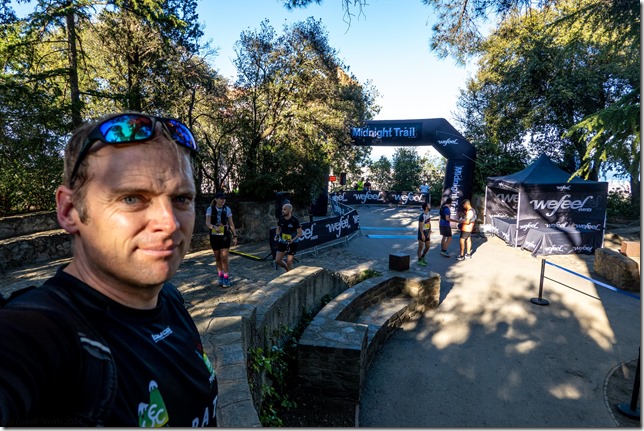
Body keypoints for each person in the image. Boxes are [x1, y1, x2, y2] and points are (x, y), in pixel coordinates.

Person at [0, 113, 218, 426]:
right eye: (132, 198)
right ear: (69, 210)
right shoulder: (43, 331)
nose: (169, 224)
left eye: (181, 198)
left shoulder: (170, 299)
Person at [206, 191, 237, 287]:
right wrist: (214, 227)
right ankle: (220, 276)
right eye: (221, 198)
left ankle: (226, 278)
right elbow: (207, 223)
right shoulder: (210, 209)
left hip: (225, 235)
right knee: (218, 257)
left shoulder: (227, 209)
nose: (223, 200)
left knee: (224, 257)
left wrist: (234, 236)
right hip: (214, 235)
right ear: (216, 199)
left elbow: (231, 224)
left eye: (224, 199)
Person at [274, 203, 303, 272]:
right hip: (283, 241)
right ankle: (288, 270)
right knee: (277, 260)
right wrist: (277, 235)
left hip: (293, 242)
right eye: (282, 209)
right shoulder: (281, 218)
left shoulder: (294, 220)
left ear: (289, 210)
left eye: (284, 209)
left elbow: (300, 233)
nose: (282, 211)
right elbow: (278, 228)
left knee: (289, 262)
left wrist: (293, 240)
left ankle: (290, 275)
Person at [416, 202, 432, 266]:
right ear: (426, 207)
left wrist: (430, 231)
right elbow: (420, 225)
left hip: (427, 232)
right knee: (421, 246)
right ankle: (419, 260)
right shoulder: (422, 216)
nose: (430, 206)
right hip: (422, 232)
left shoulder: (428, 214)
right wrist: (422, 234)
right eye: (429, 205)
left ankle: (423, 256)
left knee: (427, 246)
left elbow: (429, 222)